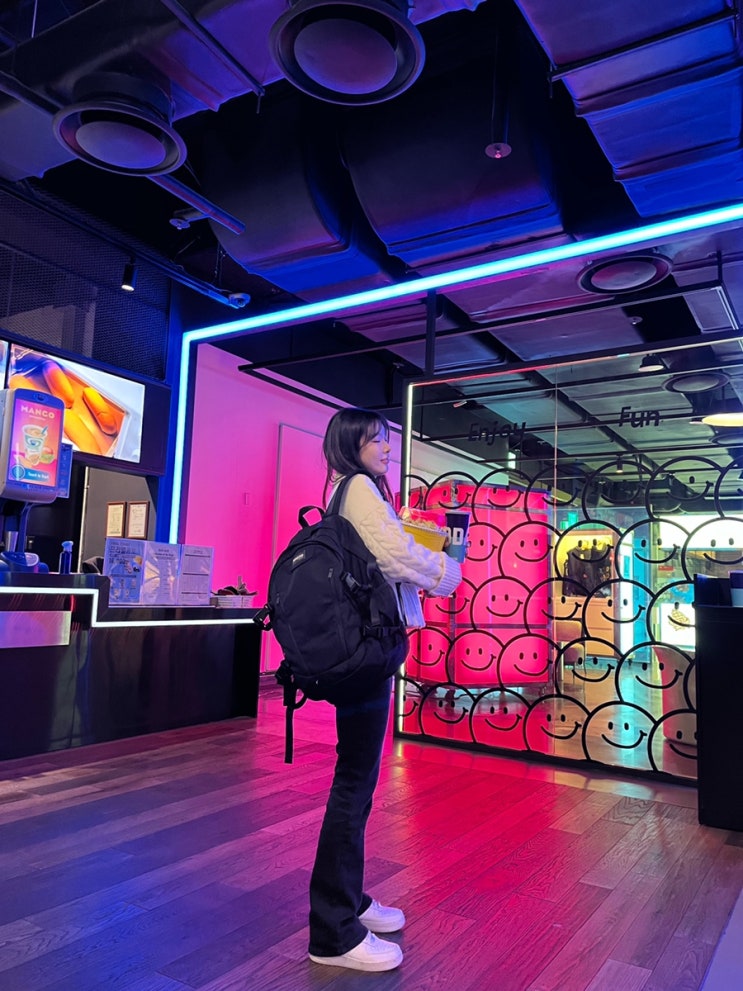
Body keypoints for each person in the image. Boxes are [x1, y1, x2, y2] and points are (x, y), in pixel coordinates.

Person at [308, 406, 462, 973]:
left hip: (362, 649)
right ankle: (332, 932)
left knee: (359, 781)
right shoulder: (359, 488)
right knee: (354, 784)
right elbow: (393, 555)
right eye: (376, 440)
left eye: (387, 440)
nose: (387, 448)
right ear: (351, 443)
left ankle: (350, 900)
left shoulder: (344, 490)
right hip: (366, 651)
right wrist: (448, 571)